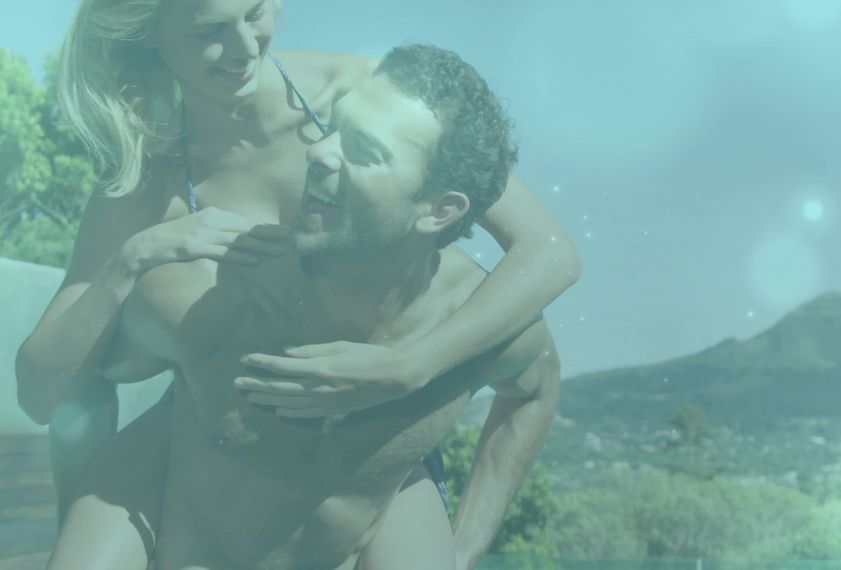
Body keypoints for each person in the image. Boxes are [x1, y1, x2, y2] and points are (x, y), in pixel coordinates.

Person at [14, 0, 578, 567]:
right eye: (210, 31)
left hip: (372, 435)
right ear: (150, 37)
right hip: (223, 424)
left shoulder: (360, 99)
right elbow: (53, 388)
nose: (244, 46)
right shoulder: (147, 174)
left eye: (255, 12)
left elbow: (548, 255)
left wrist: (408, 370)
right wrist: (131, 260)